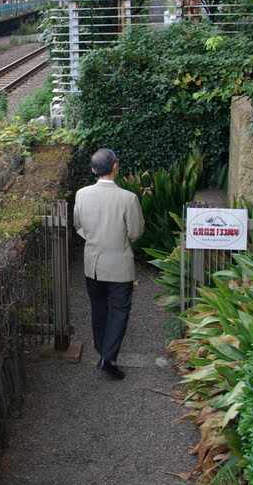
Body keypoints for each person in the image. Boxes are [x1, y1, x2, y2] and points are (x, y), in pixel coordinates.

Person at [73, 148, 144, 380]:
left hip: (92, 263)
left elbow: (78, 225)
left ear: (94, 170)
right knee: (119, 311)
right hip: (120, 266)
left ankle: (102, 350)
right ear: (116, 166)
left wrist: (95, 238)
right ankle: (108, 358)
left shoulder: (81, 194)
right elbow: (135, 233)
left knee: (98, 308)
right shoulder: (128, 198)